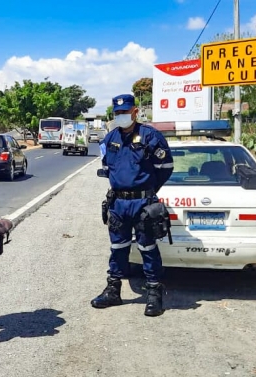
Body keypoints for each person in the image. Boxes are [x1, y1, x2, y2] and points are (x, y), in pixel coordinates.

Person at [92, 94, 174, 317]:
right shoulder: (110, 139)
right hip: (118, 202)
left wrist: (148, 190)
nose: (121, 116)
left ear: (135, 111)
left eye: (125, 112)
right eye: (117, 113)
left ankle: (154, 294)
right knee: (118, 247)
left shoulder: (150, 136)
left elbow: (165, 167)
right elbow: (108, 167)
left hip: (143, 202)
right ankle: (113, 290)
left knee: (147, 247)